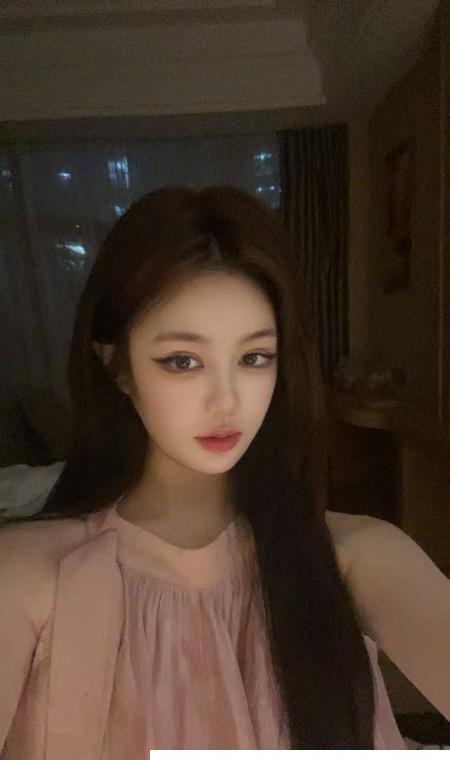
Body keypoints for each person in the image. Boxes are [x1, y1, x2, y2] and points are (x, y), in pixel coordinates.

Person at [0, 186, 448, 757]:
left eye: (254, 357)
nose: (227, 400)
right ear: (118, 367)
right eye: (183, 361)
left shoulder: (354, 556)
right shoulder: (30, 576)